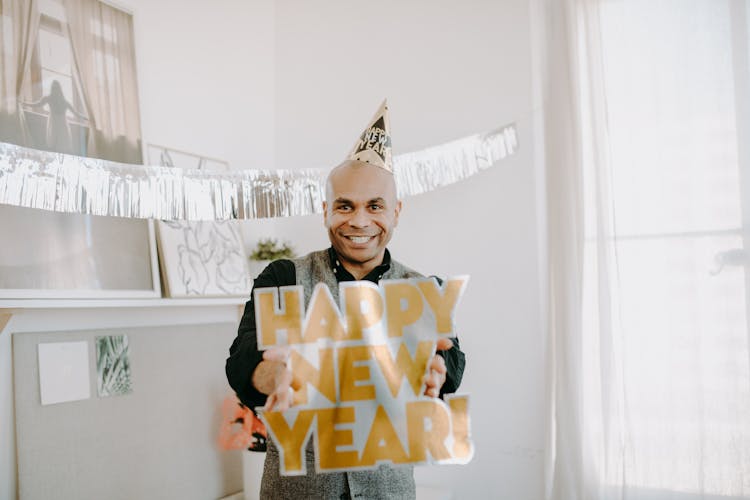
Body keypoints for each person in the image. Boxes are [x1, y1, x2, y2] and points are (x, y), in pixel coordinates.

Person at [226, 101, 466, 499]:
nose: (358, 221)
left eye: (375, 206)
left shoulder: (423, 290)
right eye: (344, 206)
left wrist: (436, 375)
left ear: (396, 212)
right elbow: (242, 361)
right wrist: (273, 376)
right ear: (325, 211)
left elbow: (451, 366)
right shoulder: (283, 277)